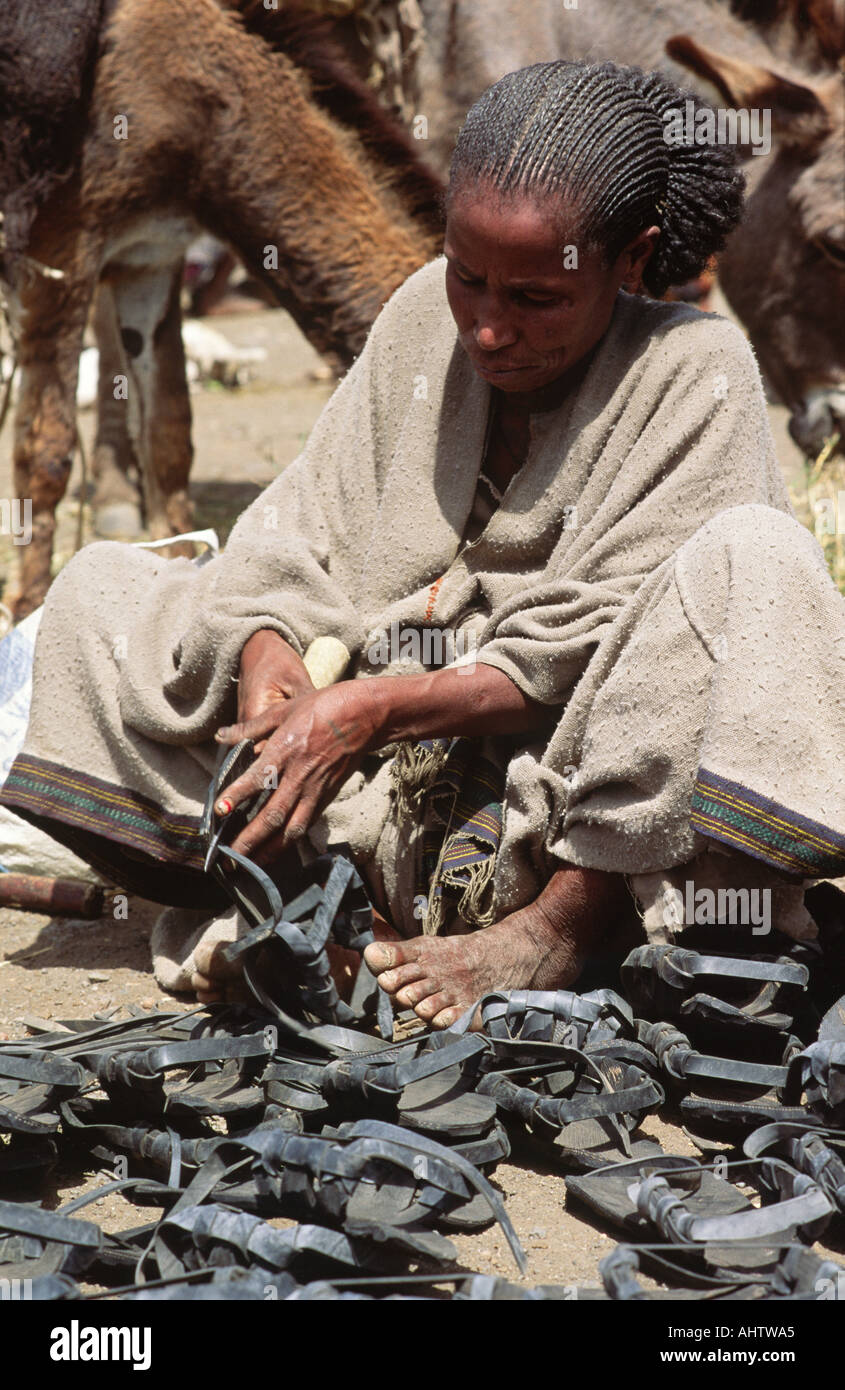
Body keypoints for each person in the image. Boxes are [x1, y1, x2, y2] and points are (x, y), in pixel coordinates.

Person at [3, 61, 843, 1029]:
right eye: (466, 277)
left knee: (761, 564)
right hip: (362, 814)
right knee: (105, 590)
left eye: (533, 298)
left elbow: (592, 642)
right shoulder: (416, 324)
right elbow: (298, 524)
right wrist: (271, 657)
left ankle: (552, 936)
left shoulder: (696, 372)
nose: (487, 327)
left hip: (563, 813)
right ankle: (302, 896)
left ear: (628, 259)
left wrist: (372, 711)